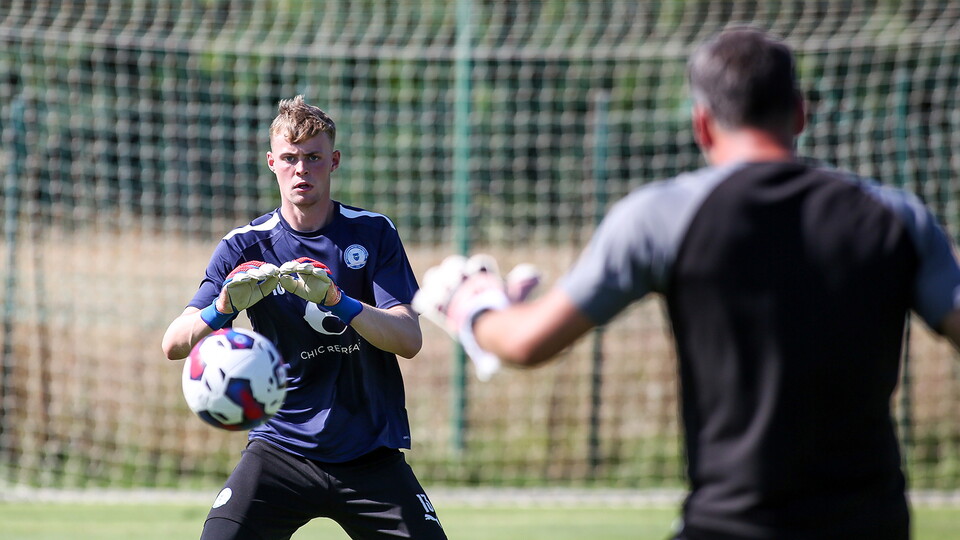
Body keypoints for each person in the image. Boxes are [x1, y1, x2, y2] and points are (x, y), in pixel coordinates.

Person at [413, 28, 960, 539]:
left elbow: (527, 342)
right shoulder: (896, 216)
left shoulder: (660, 217)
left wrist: (474, 305)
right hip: (873, 522)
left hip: (731, 523)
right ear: (799, 113)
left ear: (702, 123)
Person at [162, 95, 446, 540]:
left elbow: (409, 339)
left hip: (369, 453)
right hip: (279, 451)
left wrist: (340, 302)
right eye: (290, 158)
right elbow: (174, 344)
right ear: (271, 162)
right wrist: (222, 309)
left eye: (313, 158)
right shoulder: (244, 247)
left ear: (333, 161)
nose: (301, 170)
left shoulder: (372, 233)